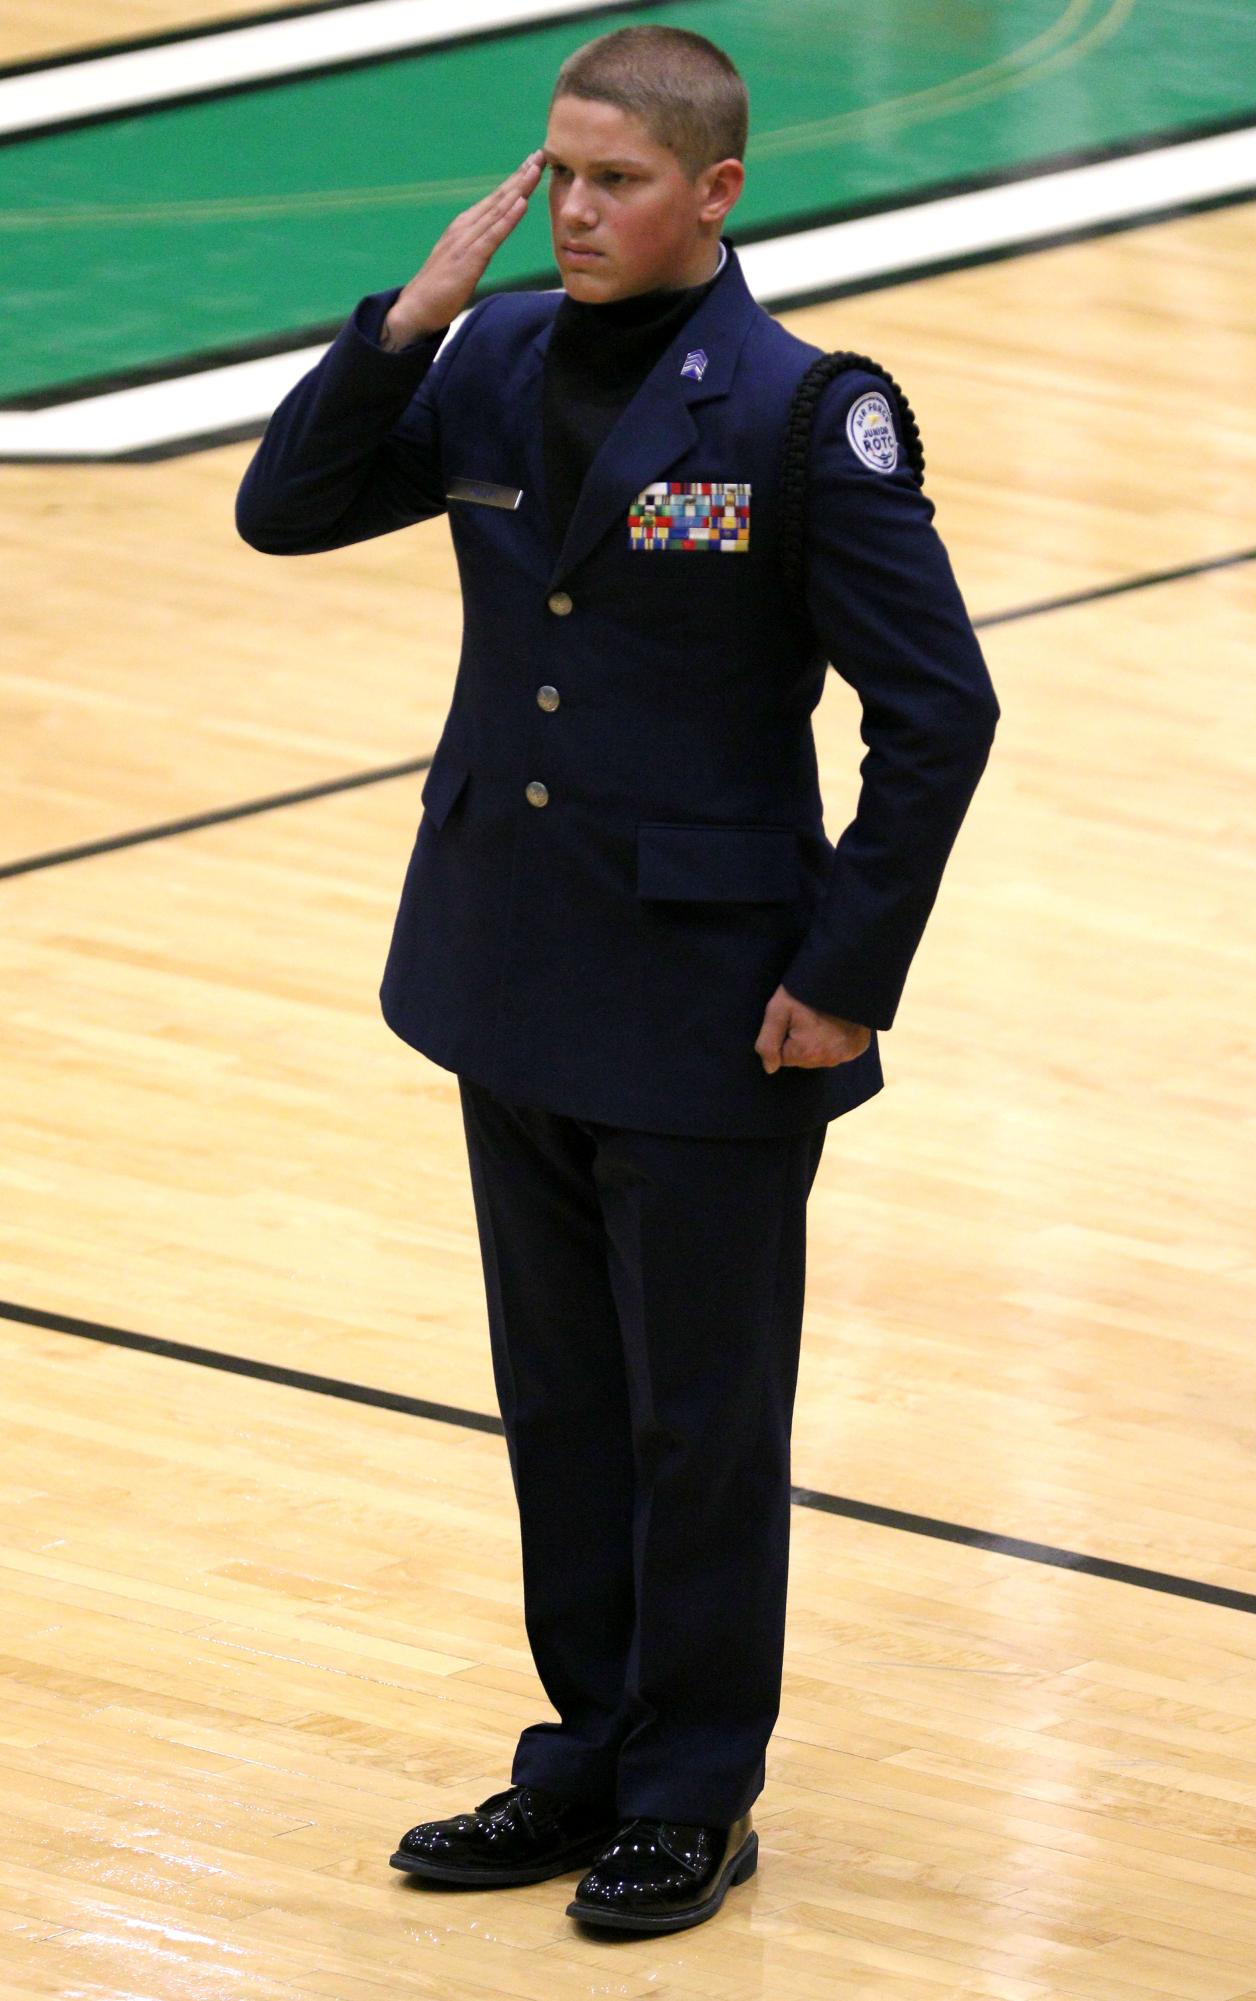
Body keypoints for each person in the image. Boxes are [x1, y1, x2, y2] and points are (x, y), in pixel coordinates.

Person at [235, 23, 999, 1938]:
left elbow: (939, 711)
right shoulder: (485, 356)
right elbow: (287, 509)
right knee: (561, 1395)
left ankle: (693, 1784)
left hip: (712, 1003)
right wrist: (399, 326)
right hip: (515, 964)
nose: (574, 211)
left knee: (701, 1419)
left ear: (716, 193)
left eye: (618, 181)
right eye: (559, 174)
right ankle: (582, 1748)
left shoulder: (801, 413)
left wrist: (848, 978)